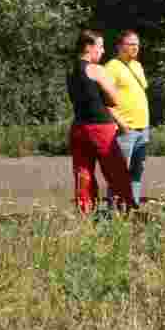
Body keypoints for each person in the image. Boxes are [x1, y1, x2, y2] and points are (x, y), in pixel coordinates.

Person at [66, 29, 135, 216]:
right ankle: (125, 212)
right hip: (100, 127)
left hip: (79, 127)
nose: (103, 51)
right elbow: (114, 99)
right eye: (100, 46)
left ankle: (86, 214)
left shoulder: (71, 71)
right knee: (116, 172)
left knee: (83, 174)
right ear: (89, 47)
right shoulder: (96, 69)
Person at [103, 29, 150, 208]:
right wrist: (120, 123)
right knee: (119, 173)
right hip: (125, 129)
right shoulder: (112, 67)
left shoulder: (137, 66)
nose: (135, 47)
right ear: (120, 46)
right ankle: (113, 211)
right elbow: (104, 100)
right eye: (131, 44)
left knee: (137, 172)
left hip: (143, 127)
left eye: (137, 44)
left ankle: (132, 208)